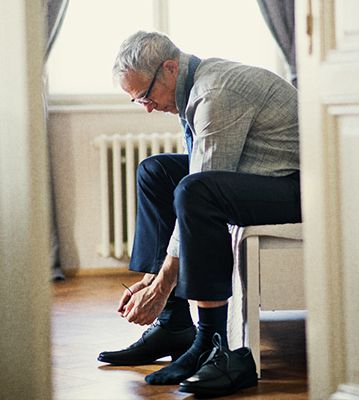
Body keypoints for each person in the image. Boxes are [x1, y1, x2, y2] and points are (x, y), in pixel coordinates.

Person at [98, 30, 301, 397]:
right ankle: (174, 323)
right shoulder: (193, 85)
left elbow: (200, 183)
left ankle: (213, 342)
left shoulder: (215, 94)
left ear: (170, 68)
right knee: (155, 171)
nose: (145, 107)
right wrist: (152, 278)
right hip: (258, 172)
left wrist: (162, 285)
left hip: (298, 185)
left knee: (197, 191)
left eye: (144, 95)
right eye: (136, 100)